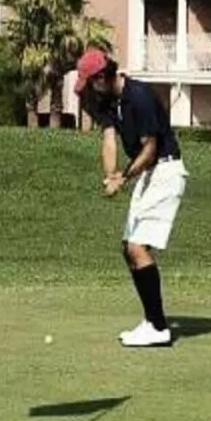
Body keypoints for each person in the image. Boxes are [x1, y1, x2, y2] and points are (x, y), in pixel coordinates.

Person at [72, 47, 187, 348]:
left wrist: (122, 178)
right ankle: (151, 321)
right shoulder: (112, 103)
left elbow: (150, 149)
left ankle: (159, 327)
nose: (88, 96)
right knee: (128, 247)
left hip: (165, 170)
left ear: (100, 77)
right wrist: (110, 175)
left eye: (88, 86)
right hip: (149, 174)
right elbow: (109, 139)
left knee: (137, 247)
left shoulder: (140, 96)